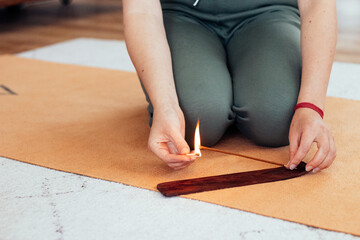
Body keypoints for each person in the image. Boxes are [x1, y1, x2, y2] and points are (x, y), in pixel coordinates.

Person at [123, 0, 337, 171]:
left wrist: (311, 106)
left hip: (269, 11)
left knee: (278, 116)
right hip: (181, 14)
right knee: (193, 119)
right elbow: (141, 8)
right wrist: (164, 105)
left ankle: (239, 91)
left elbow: (317, 3)